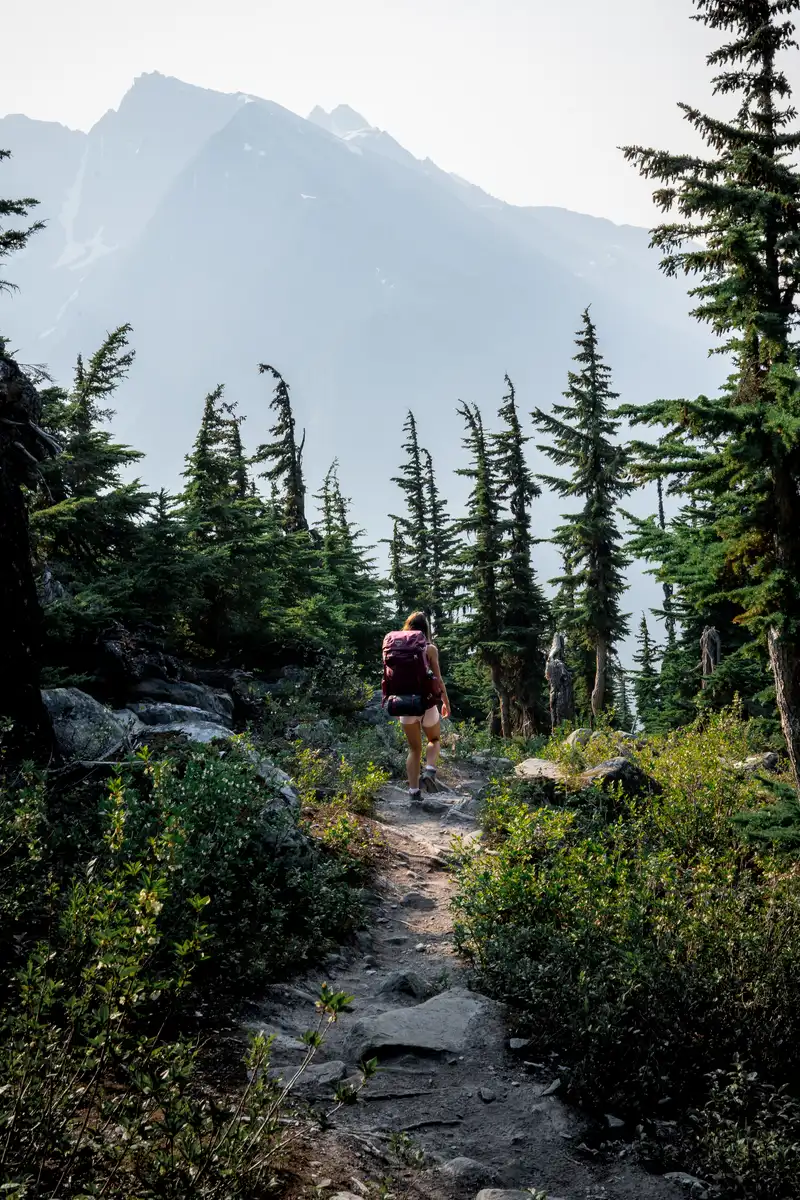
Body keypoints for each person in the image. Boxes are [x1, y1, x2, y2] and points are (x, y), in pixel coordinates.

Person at [396, 612, 451, 803]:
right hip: (426, 703)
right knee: (434, 738)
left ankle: (413, 792)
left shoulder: (396, 647)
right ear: (426, 629)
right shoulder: (430, 649)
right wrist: (445, 701)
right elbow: (438, 679)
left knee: (413, 748)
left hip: (404, 703)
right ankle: (429, 771)